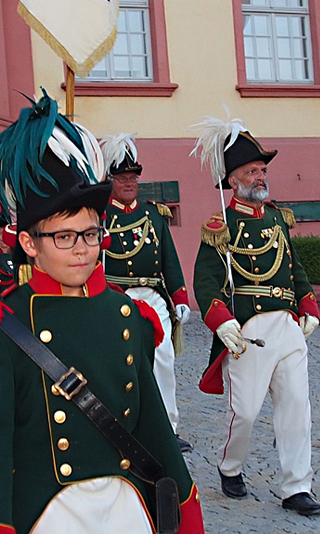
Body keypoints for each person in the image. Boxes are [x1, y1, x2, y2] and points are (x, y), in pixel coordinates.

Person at [0, 91, 202, 534]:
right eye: (64, 237)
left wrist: (185, 503)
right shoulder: (0, 328)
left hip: (126, 506)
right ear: (30, 243)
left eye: (90, 234)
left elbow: (154, 424)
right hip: (49, 513)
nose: (82, 250)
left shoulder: (129, 316)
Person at [188, 111, 320, 516]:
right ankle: (230, 466)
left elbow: (294, 267)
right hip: (247, 333)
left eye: (263, 169)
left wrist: (309, 304)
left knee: (297, 408)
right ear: (233, 180)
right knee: (245, 412)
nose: (261, 176)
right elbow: (206, 282)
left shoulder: (279, 220)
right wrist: (222, 321)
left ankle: (296, 487)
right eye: (252, 170)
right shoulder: (221, 224)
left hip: (287, 329)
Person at [99, 132, 194, 453]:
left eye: (133, 177)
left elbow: (169, 257)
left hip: (153, 298)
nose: (129, 183)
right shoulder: (100, 217)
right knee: (122, 363)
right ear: (110, 180)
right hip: (115, 297)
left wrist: (180, 297)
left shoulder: (154, 214)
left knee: (164, 359)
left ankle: (168, 427)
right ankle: (122, 425)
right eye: (122, 177)